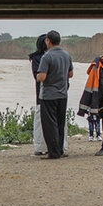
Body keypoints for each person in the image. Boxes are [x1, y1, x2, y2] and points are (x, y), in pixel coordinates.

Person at [35, 30, 74, 159]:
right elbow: (70, 74)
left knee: (49, 124)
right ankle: (60, 150)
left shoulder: (47, 56)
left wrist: (37, 76)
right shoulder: (66, 55)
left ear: (48, 41)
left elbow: (42, 76)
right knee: (60, 123)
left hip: (48, 95)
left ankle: (53, 152)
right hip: (63, 94)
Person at [29, 34, 48, 155]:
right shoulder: (37, 58)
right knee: (40, 120)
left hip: (49, 93)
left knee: (42, 120)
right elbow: (38, 77)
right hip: (43, 93)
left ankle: (45, 146)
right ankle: (41, 146)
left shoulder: (54, 56)